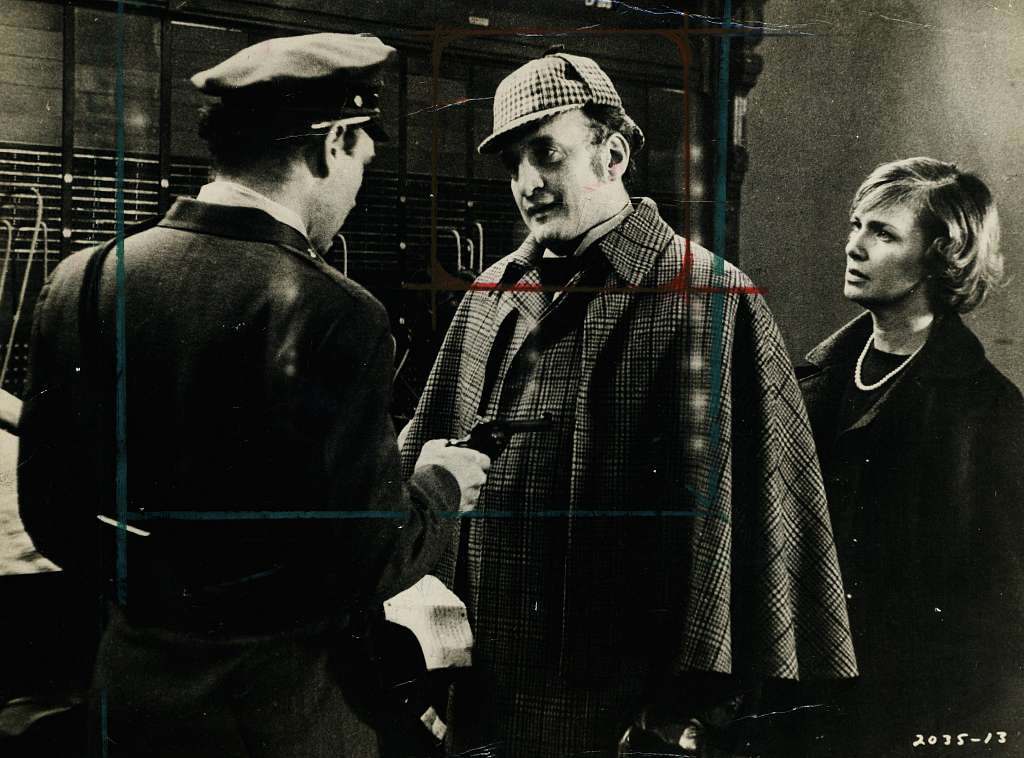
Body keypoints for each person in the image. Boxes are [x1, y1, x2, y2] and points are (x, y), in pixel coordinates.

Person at [17, 33, 489, 758]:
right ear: (332, 143)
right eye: (362, 162)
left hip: (129, 696)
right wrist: (437, 486)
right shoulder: (335, 313)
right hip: (277, 714)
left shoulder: (84, 279)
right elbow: (362, 561)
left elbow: (51, 514)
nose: (357, 191)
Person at [400, 49, 857, 757]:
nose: (527, 184)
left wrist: (683, 709)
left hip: (623, 708)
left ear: (612, 155)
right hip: (484, 692)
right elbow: (417, 482)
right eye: (513, 164)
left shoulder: (709, 297)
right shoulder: (492, 294)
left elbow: (743, 531)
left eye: (546, 153)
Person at [794, 157, 1024, 756]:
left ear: (940, 258)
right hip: (797, 696)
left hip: (907, 710)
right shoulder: (805, 381)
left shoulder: (988, 411)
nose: (854, 246)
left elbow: (998, 610)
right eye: (856, 225)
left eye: (883, 233)